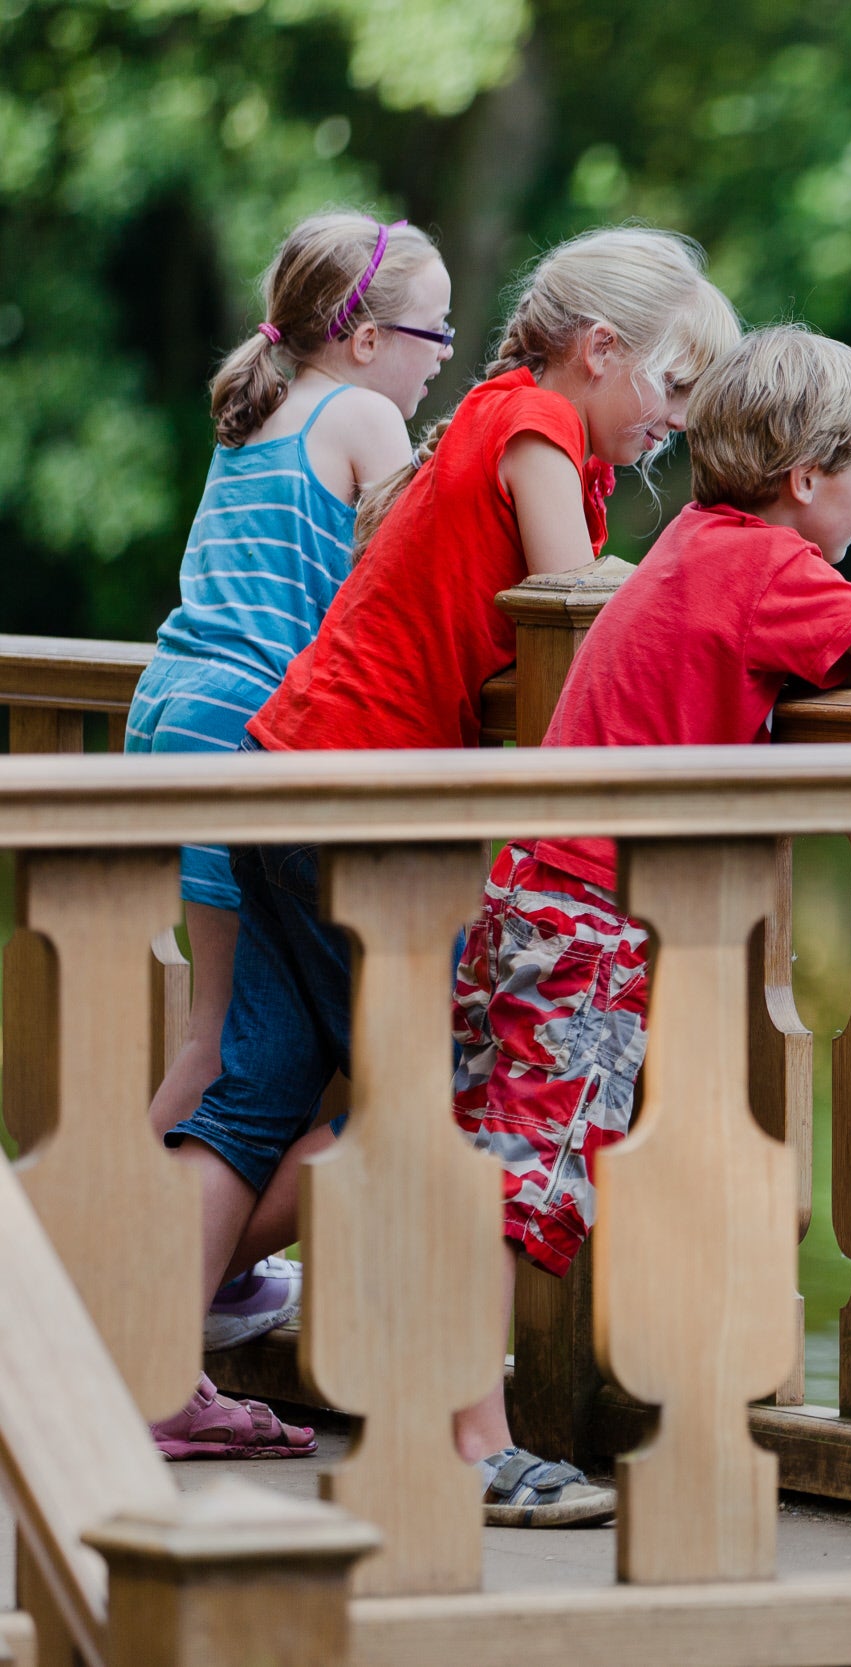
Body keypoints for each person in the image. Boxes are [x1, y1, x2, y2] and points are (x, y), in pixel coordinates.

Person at [161, 227, 739, 1523]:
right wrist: (724, 602)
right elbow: (571, 597)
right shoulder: (535, 422)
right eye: (676, 386)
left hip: (292, 774)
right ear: (600, 352)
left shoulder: (493, 414)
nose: (680, 421)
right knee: (444, 1099)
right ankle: (465, 1436)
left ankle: (124, 1343)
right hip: (353, 803)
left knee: (262, 1090)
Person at [445, 324, 851, 1520]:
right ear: (806, 477)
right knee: (527, 1186)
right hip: (586, 916)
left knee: (500, 1169)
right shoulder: (770, 569)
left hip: (537, 894)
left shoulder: (691, 540)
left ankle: (462, 1426)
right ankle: (464, 1447)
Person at [135, 211, 456, 1461]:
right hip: (251, 738)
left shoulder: (261, 415)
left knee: (226, 1037)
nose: (442, 358)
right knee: (235, 1049)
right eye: (432, 334)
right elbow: (415, 562)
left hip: (180, 713)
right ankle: (118, 1313)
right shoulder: (362, 418)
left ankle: (167, 1283)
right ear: (368, 335)